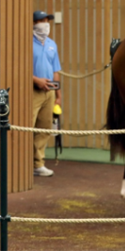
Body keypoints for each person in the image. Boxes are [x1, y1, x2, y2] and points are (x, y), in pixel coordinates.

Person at [33, 10, 62, 177]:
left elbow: (56, 70)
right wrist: (36, 80)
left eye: (47, 20)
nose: (45, 24)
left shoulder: (52, 44)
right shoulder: (26, 43)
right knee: (28, 126)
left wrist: (58, 95)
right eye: (41, 21)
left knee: (44, 128)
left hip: (49, 92)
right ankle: (24, 163)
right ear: (33, 24)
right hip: (32, 91)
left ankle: (38, 164)